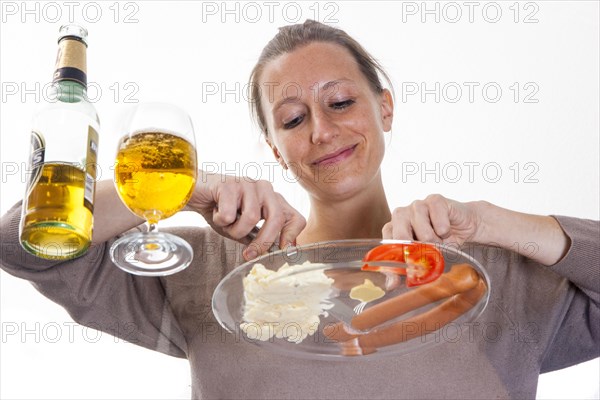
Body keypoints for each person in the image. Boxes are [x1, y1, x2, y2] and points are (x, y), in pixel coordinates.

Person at [1, 20, 598, 399]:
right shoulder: (213, 270)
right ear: (275, 150)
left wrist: (491, 223)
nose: (322, 130)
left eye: (340, 101)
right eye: (292, 118)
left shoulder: (497, 272)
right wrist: (179, 187)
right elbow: (21, 245)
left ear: (384, 107)